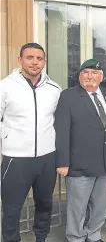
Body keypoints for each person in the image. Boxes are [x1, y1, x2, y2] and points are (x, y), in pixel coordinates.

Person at [0, 43, 61, 242]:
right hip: (16, 159)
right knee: (11, 206)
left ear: (44, 62)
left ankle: (41, 237)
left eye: (39, 58)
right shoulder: (5, 86)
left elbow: (59, 121)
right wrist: (8, 137)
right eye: (29, 57)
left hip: (46, 158)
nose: (34, 62)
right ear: (20, 60)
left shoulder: (54, 88)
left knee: (44, 203)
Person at [55, 59, 106, 242]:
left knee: (100, 205)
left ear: (101, 77)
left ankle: (93, 234)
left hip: (104, 162)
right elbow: (62, 130)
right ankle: (76, 237)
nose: (90, 77)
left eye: (94, 73)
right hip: (79, 162)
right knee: (78, 207)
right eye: (85, 72)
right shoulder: (68, 96)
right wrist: (63, 161)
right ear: (79, 76)